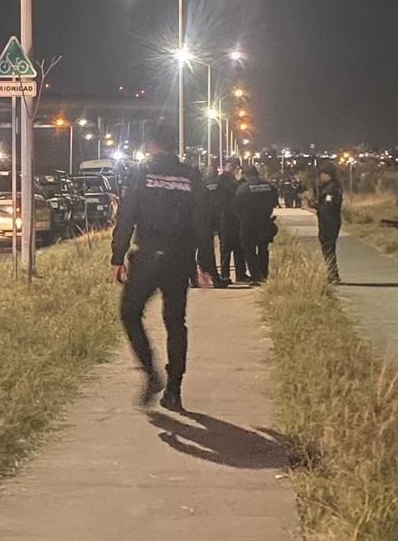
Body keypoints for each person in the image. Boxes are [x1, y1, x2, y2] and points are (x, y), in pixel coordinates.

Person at [111, 125, 215, 412]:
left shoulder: (142, 172)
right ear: (173, 147)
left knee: (130, 312)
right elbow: (203, 223)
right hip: (179, 258)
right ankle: (174, 389)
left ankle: (151, 372)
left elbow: (127, 215)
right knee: (175, 321)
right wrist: (204, 264)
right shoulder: (192, 175)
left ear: (151, 146)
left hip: (147, 256)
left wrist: (117, 257)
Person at [233, 164, 279, 284]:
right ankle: (263, 275)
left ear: (246, 175)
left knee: (249, 250)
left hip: (248, 223)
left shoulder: (243, 188)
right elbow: (275, 201)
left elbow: (236, 206)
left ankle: (256, 276)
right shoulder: (269, 186)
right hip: (265, 221)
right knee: (263, 248)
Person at [216, 157, 250, 285]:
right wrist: (240, 180)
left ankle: (240, 274)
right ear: (229, 165)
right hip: (226, 218)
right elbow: (230, 191)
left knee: (239, 247)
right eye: (235, 166)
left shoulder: (232, 180)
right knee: (226, 247)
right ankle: (225, 275)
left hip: (236, 218)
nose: (236, 169)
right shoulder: (223, 179)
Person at [312, 162, 343, 284]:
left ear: (327, 175)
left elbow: (328, 206)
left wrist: (316, 205)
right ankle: (332, 273)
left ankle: (333, 274)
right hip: (328, 220)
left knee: (328, 247)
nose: (320, 178)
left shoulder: (331, 189)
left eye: (322, 175)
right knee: (327, 247)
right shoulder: (330, 187)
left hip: (329, 221)